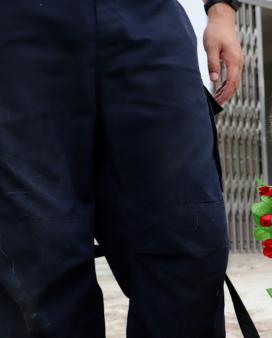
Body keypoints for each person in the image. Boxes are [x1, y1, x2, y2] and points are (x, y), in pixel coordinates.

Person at [0, 0, 243, 337]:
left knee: (188, 241)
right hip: (18, 22)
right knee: (35, 252)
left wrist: (222, 11)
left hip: (151, 16)